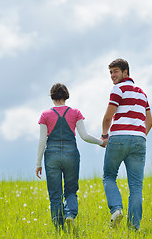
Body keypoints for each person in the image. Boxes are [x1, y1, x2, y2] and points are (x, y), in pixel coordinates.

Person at [36, 83, 107, 232]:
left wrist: (38, 163)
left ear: (52, 96)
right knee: (70, 190)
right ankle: (70, 215)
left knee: (55, 195)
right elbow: (85, 136)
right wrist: (101, 142)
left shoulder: (45, 115)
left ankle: (59, 230)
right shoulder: (75, 113)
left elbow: (42, 140)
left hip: (52, 155)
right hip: (71, 154)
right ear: (66, 95)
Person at [101, 58, 152, 230]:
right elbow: (150, 122)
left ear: (126, 72)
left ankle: (116, 209)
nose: (112, 76)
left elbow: (108, 117)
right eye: (110, 73)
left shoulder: (118, 89)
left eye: (115, 71)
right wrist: (138, 135)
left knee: (109, 176)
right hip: (139, 140)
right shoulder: (142, 93)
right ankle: (133, 228)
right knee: (136, 187)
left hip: (118, 138)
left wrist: (104, 135)